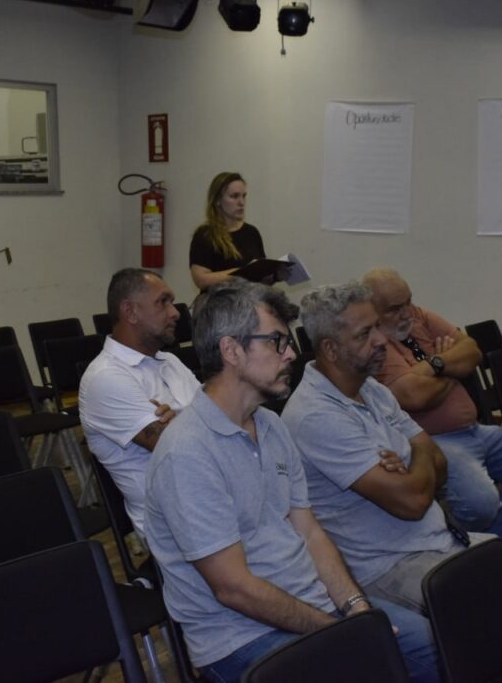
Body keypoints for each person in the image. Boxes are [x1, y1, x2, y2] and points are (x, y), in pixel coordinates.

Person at [143, 279, 440, 683]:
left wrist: (356, 607)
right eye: (276, 342)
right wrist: (336, 631)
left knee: (439, 646)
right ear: (231, 351)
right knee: (371, 666)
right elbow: (234, 589)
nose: (291, 354)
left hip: (312, 607)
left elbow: (310, 532)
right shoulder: (186, 453)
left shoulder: (270, 425)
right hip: (242, 638)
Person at [281, 282, 502, 680]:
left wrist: (411, 463)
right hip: (391, 564)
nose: (381, 340)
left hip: (442, 540)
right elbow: (413, 502)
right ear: (330, 349)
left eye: (377, 327)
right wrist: (417, 459)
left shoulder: (371, 389)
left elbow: (437, 460)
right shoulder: (315, 416)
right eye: (365, 333)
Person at [363, 268, 502, 543]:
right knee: (481, 504)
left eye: (408, 301)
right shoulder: (378, 345)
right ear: (372, 311)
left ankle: (492, 550)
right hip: (435, 441)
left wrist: (434, 365)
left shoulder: (420, 317)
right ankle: (465, 552)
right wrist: (452, 368)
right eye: (395, 308)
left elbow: (472, 350)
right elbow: (415, 396)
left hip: (475, 430)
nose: (406, 313)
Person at [78, 268, 199, 537]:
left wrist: (181, 422)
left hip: (208, 498)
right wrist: (198, 419)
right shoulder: (106, 377)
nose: (175, 312)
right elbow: (176, 449)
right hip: (172, 524)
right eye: (163, 302)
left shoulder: (169, 361)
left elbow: (224, 417)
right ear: (130, 312)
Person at [188, 172, 267, 291]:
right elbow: (201, 280)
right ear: (217, 200)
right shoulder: (205, 235)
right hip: (220, 300)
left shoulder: (252, 232)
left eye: (244, 196)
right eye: (234, 196)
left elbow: (261, 276)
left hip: (251, 298)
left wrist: (275, 275)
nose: (241, 202)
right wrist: (242, 273)